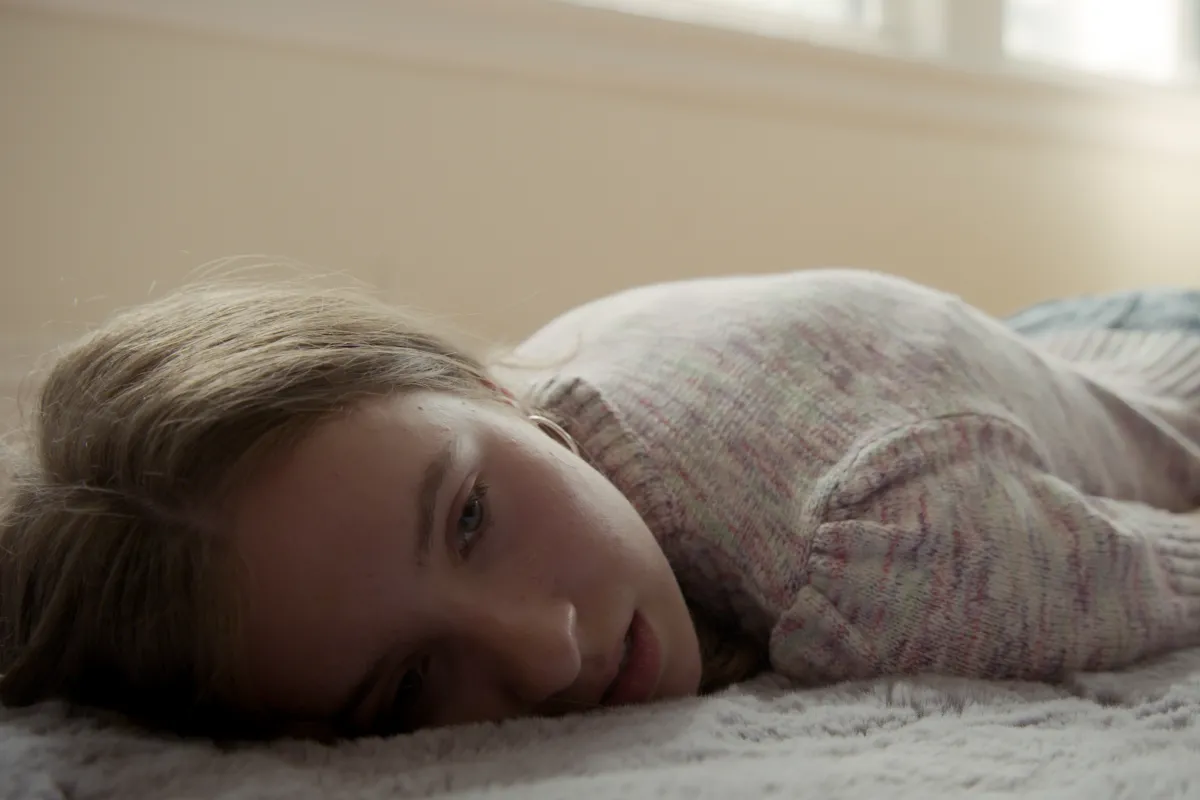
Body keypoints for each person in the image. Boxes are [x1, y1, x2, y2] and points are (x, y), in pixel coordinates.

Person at [1, 269, 1198, 742]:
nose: (547, 646)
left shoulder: (878, 553)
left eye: (470, 518)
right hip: (1032, 346)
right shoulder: (526, 392)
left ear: (482, 389)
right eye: (408, 685)